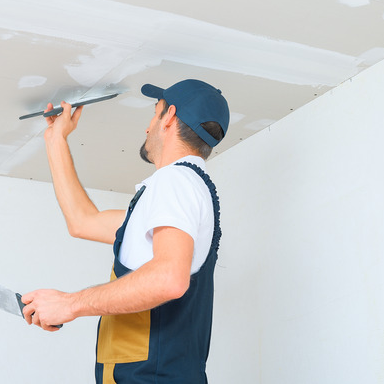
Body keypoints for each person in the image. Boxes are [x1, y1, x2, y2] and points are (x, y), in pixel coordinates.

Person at [20, 79, 229, 383]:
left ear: (168, 117)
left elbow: (169, 279)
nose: (147, 128)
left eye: (154, 114)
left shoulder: (174, 182)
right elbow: (83, 221)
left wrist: (70, 305)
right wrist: (56, 140)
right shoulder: (180, 193)